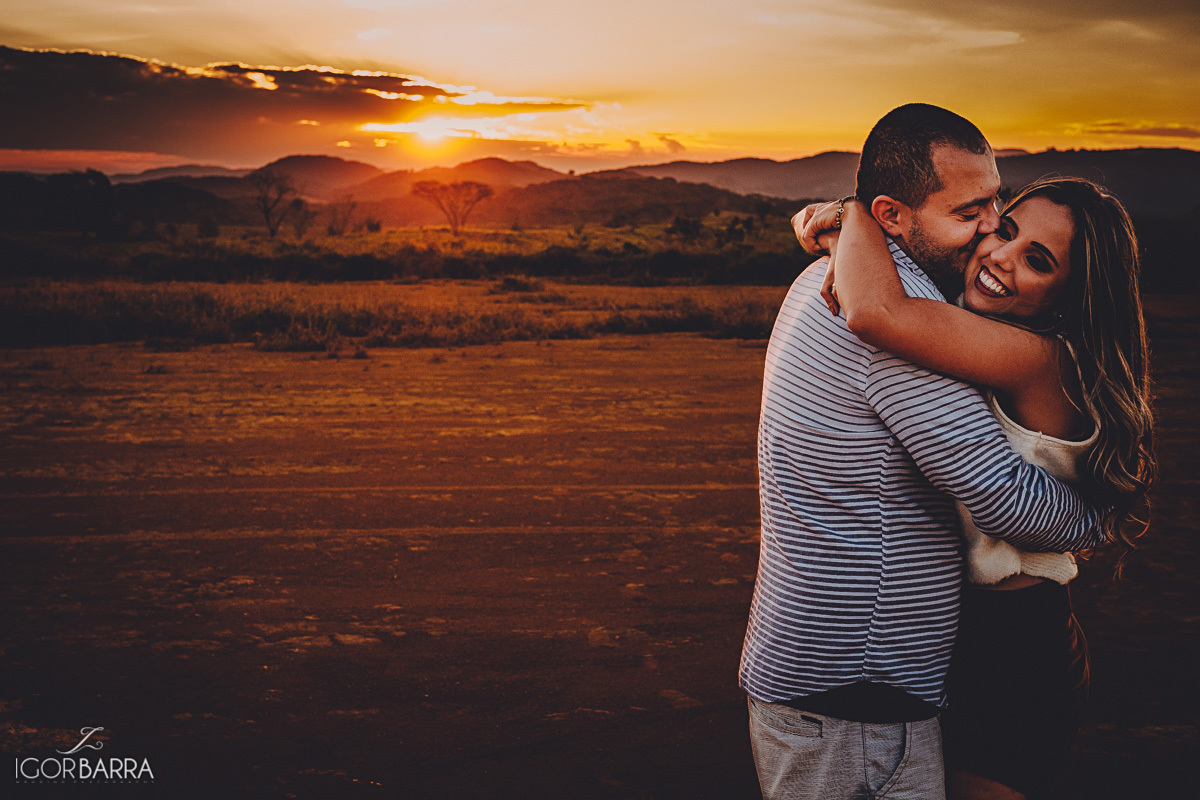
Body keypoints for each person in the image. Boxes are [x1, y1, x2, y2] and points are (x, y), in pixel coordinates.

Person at [739, 103, 1107, 800]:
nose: (994, 228)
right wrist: (1096, 519)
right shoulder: (888, 324)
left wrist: (847, 223)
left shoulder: (844, 285)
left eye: (999, 201)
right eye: (972, 211)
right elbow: (1015, 505)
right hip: (855, 691)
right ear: (895, 215)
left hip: (871, 672)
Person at [795, 176, 1156, 799]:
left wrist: (850, 216)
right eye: (1006, 231)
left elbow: (875, 311)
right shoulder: (982, 334)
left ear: (1068, 298)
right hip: (961, 633)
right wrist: (836, 231)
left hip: (1017, 647)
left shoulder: (1037, 359)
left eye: (1037, 262)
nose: (1000, 259)